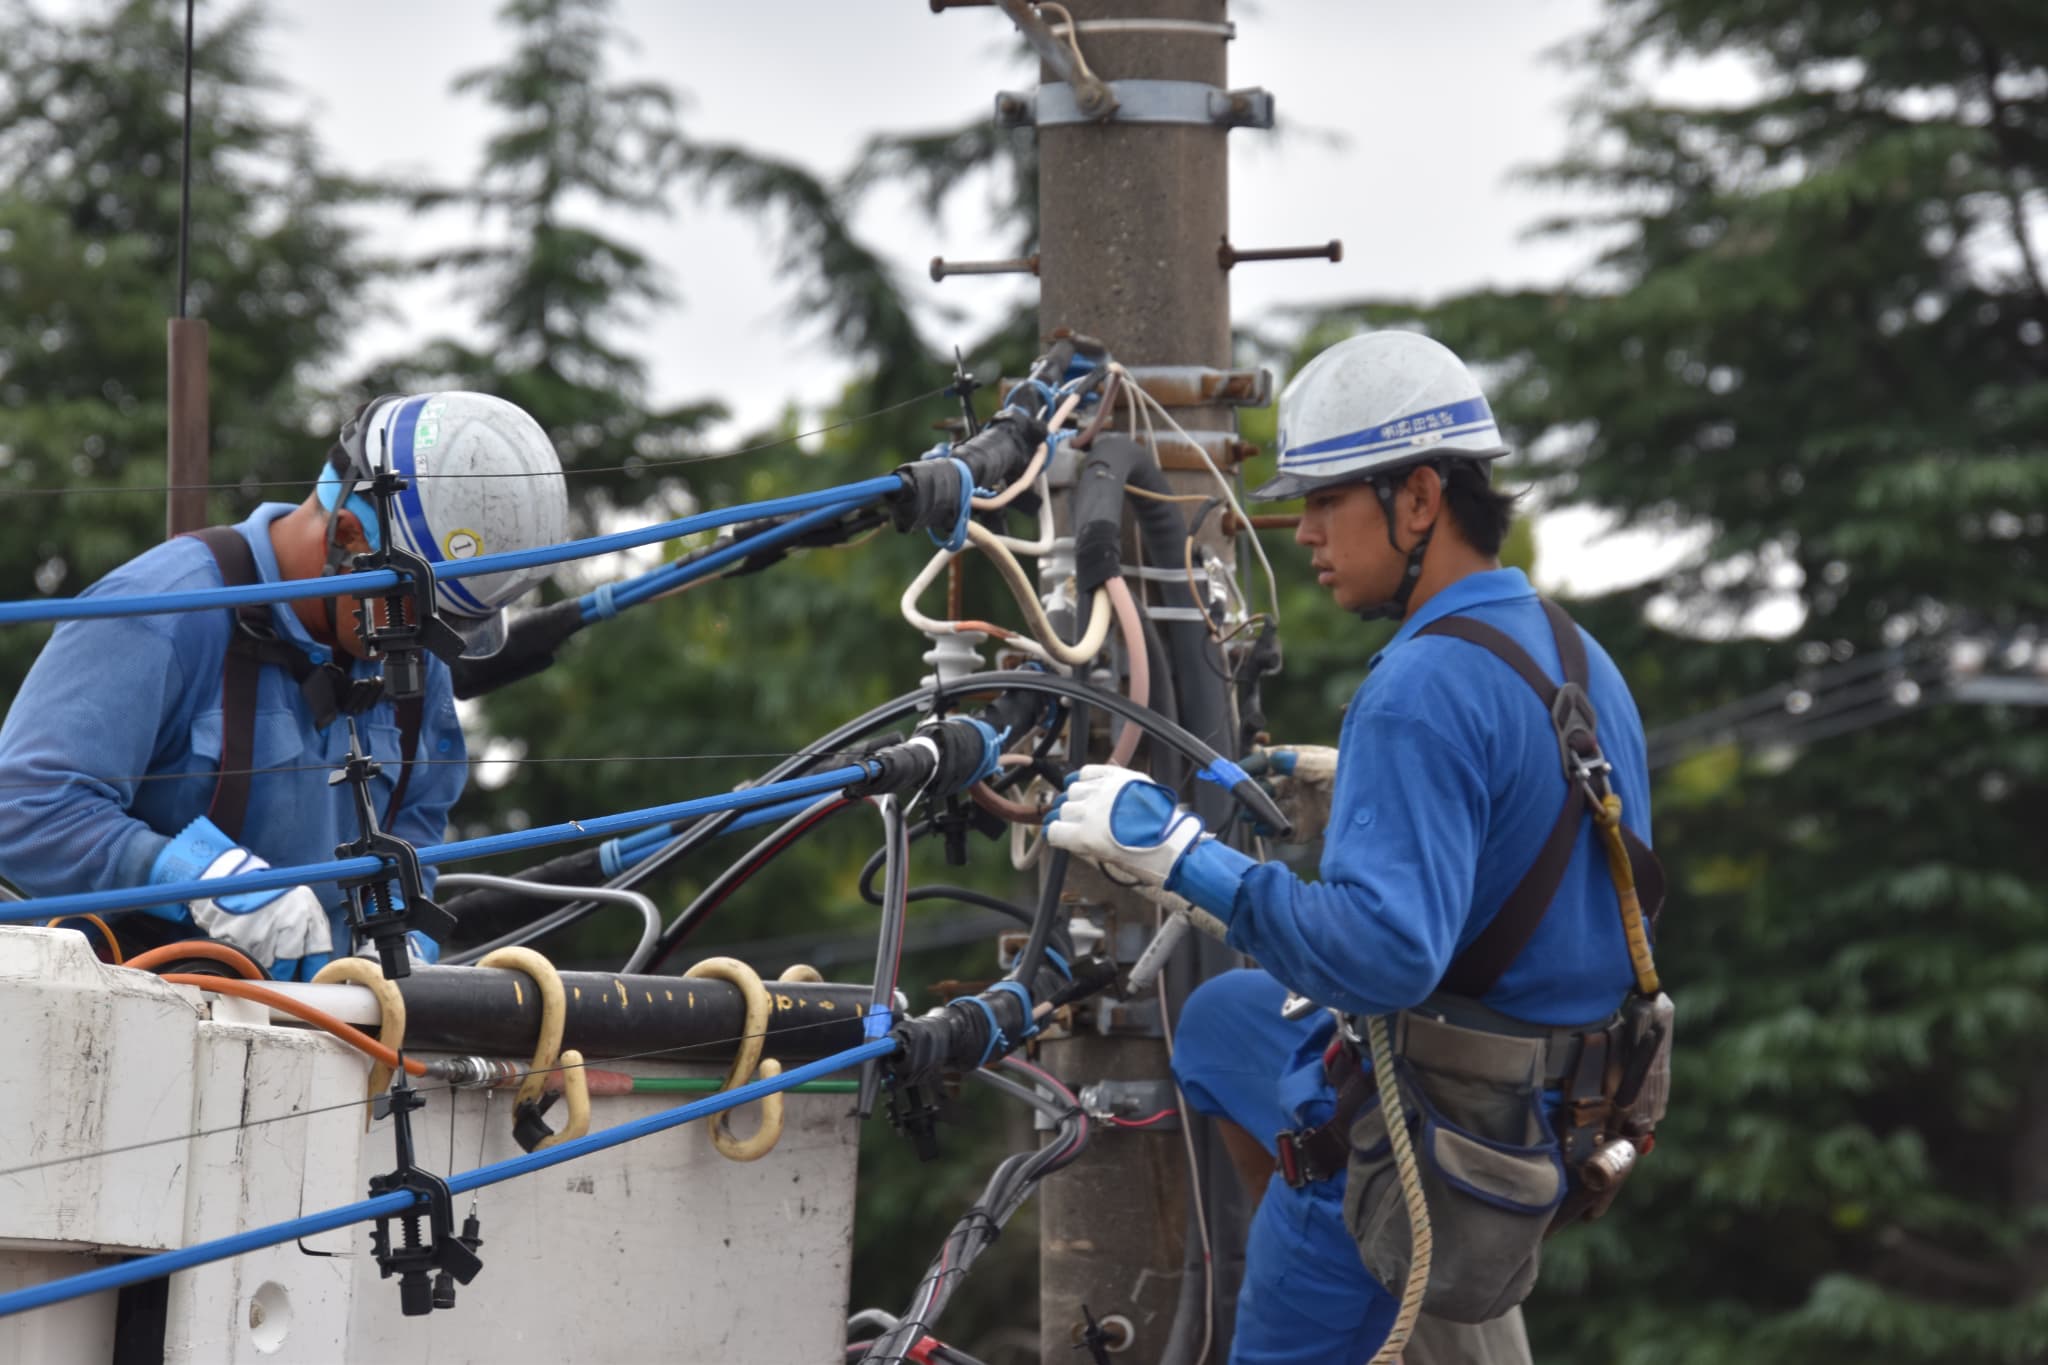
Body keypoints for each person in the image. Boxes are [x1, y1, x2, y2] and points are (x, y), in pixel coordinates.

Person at [1046, 331, 1660, 1364]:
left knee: (1306, 1229)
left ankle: (1330, 1218)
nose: (1305, 533)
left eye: (1327, 500)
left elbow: (1382, 956)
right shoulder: (1569, 650)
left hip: (1423, 1127)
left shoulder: (1416, 686)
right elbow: (1558, 860)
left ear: (1418, 500)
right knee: (1222, 1020)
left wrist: (1175, 853)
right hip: (1554, 1106)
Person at [0, 392, 568, 979]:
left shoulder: (415, 652)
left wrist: (396, 930)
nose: (422, 647)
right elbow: (22, 805)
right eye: (412, 618)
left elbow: (416, 822)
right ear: (347, 537)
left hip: (326, 1024)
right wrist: (200, 878)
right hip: (128, 1008)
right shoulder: (164, 611)